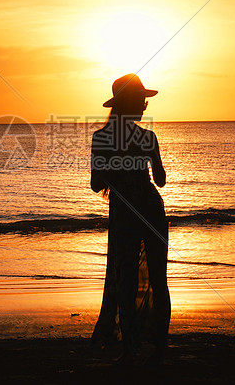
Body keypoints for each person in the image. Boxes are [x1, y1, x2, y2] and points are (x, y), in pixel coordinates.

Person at [90, 74, 170, 364]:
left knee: (125, 279)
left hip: (124, 211)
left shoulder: (101, 138)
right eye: (141, 100)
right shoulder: (148, 137)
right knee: (158, 279)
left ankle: (130, 348)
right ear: (128, 103)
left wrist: (115, 169)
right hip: (150, 209)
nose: (145, 106)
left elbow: (96, 184)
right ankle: (159, 346)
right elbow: (160, 181)